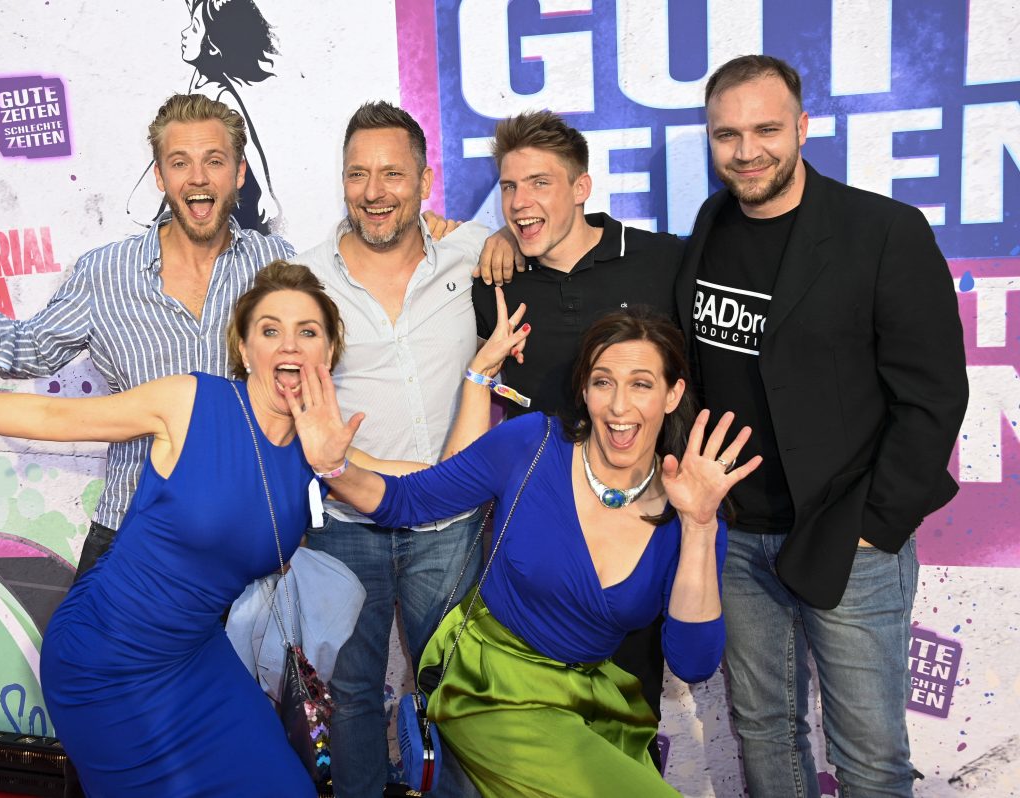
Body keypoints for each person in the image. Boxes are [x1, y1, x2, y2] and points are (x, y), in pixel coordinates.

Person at [0, 260, 527, 796]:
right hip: (104, 659)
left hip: (194, 660)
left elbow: (437, 488)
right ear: (244, 346)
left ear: (328, 352)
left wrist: (477, 377)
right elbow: (51, 418)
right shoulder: (191, 401)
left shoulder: (324, 450)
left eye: (308, 331)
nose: (288, 345)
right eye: (270, 330)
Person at [291, 309, 761, 798]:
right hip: (489, 682)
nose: (620, 405)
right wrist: (334, 468)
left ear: (673, 394)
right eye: (603, 382)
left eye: (641, 384)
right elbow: (410, 500)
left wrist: (700, 526)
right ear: (585, 391)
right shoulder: (531, 444)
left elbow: (693, 662)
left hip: (590, 700)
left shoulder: (693, 507)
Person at [675, 55, 968, 797]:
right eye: (727, 135)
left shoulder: (883, 231)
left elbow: (934, 394)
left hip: (847, 535)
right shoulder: (709, 225)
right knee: (765, 732)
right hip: (739, 535)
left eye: (766, 130)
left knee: (869, 758)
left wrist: (876, 524)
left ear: (803, 128)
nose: (747, 151)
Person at [0, 94, 294, 583]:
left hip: (246, 540)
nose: (198, 177)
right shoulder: (105, 273)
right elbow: (29, 350)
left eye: (214, 160)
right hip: (132, 534)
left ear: (239, 172)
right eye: (179, 163)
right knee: (86, 639)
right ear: (160, 177)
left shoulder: (276, 267)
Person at [296, 100, 516, 797]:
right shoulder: (304, 280)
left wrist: (501, 237)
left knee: (455, 693)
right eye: (357, 174)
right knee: (352, 697)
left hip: (449, 527)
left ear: (426, 180)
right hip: (345, 523)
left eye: (392, 173)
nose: (374, 191)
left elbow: (533, 242)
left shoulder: (473, 252)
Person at [471, 110, 686, 754]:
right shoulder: (496, 283)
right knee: (532, 742)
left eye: (540, 183)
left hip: (635, 536)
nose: (520, 202)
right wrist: (495, 238)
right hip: (536, 547)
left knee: (627, 726)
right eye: (510, 187)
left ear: (582, 187)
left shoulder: (661, 262)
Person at [179, 0, 282, 231]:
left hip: (234, 201)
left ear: (212, 47)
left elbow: (250, 144)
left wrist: (266, 194)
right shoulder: (201, 78)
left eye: (194, 28)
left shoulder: (220, 94)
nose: (184, 33)